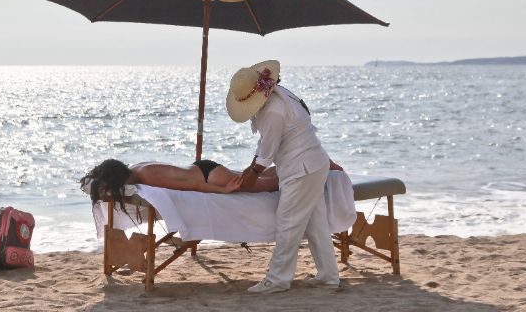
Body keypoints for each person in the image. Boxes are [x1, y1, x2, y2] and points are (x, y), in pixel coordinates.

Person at [227, 59, 340, 293]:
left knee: (287, 222)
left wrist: (251, 175)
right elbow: (264, 146)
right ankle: (328, 276)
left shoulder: (273, 110)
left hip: (302, 169)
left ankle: (278, 279)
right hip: (311, 165)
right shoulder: (277, 95)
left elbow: (267, 151)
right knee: (315, 223)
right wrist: (250, 169)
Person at [81, 158, 280, 211]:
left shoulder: (146, 175)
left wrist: (223, 190)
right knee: (264, 178)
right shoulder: (137, 170)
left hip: (208, 177)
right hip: (205, 170)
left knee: (269, 185)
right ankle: (288, 165)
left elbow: (192, 186)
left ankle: (300, 174)